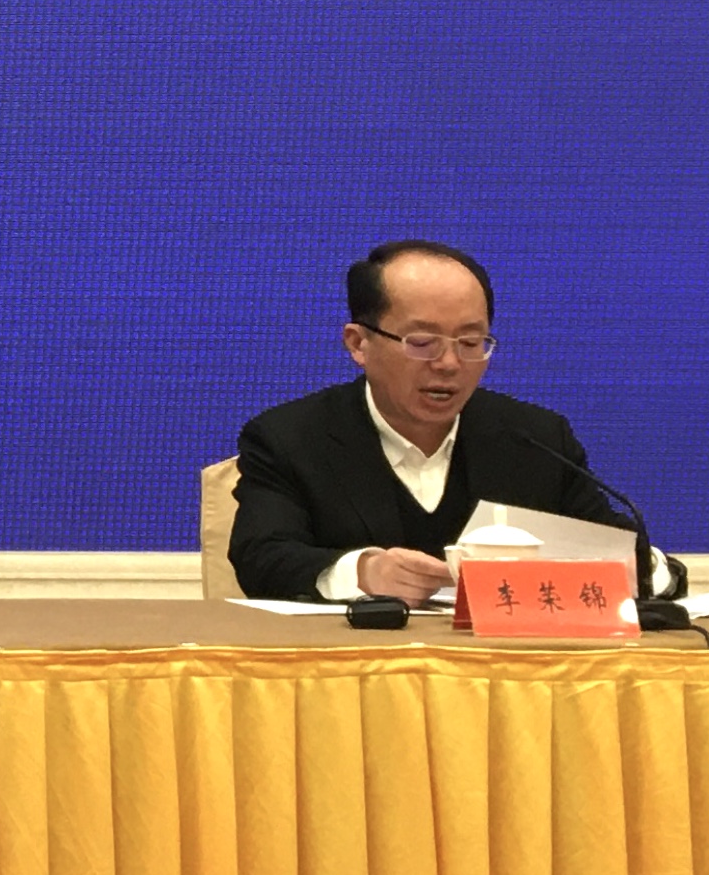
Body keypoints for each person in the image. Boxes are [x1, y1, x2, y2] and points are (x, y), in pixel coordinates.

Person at [228, 239, 683, 605]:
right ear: (358, 343)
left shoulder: (534, 439)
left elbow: (620, 551)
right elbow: (262, 558)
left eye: (470, 343)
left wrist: (645, 570)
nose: (449, 364)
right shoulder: (289, 438)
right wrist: (363, 573)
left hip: (509, 673)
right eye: (422, 342)